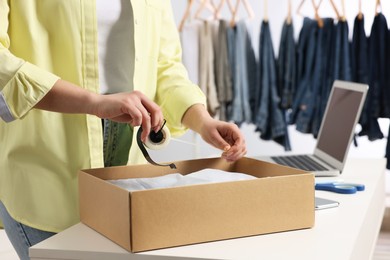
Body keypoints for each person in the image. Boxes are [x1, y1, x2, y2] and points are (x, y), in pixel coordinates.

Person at [0, 1, 247, 259]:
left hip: (130, 154)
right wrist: (94, 102)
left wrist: (203, 121)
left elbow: (165, 66)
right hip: (46, 160)